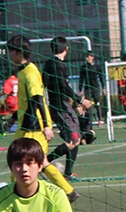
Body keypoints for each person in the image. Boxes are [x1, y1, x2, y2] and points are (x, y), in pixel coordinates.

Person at [6, 34, 80, 202]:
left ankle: (16, 199)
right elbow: (28, 102)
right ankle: (69, 192)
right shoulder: (24, 71)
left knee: (23, 163)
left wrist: (47, 126)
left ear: (18, 53)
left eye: (10, 51)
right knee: (37, 162)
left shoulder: (30, 72)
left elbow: (38, 99)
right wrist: (13, 118)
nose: (9, 55)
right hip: (26, 126)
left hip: (34, 128)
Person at [43, 36, 93, 181]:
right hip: (59, 106)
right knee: (73, 139)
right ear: (66, 49)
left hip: (63, 105)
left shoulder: (52, 64)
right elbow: (62, 87)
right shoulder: (56, 64)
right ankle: (44, 162)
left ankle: (68, 173)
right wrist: (81, 100)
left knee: (76, 137)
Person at [79, 50, 104, 124]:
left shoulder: (97, 67)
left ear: (92, 57)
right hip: (87, 88)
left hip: (95, 87)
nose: (87, 58)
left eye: (88, 57)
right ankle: (89, 120)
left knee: (97, 103)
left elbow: (101, 77)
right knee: (88, 105)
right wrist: (80, 89)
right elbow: (81, 79)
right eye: (86, 57)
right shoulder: (83, 67)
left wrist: (103, 87)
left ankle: (100, 119)